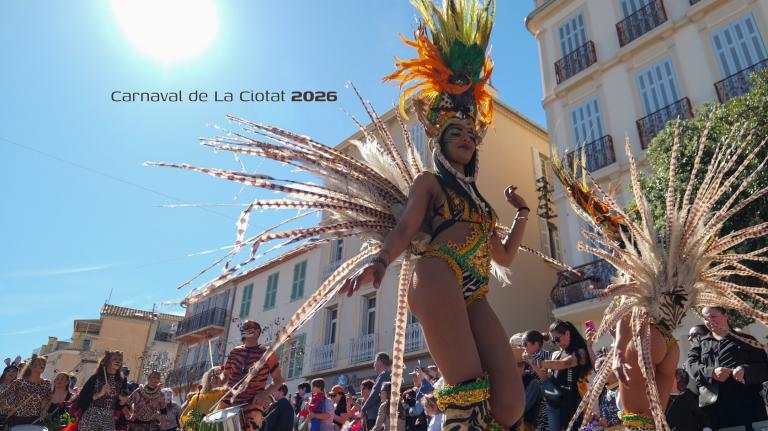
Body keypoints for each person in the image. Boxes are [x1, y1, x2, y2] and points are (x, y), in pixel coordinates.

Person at [337, 2, 528, 429]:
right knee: (467, 393)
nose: (465, 139)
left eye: (470, 134)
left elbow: (503, 258)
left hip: (474, 288)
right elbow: (407, 226)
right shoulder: (430, 182)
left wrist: (522, 215)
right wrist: (381, 259)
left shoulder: (479, 201)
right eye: (454, 132)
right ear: (440, 142)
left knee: (511, 404)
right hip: (438, 275)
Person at [687, 306, 768, 430]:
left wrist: (745, 370)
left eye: (713, 317)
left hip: (749, 406)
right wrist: (712, 372)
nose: (710, 321)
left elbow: (764, 368)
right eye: (706, 319)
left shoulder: (747, 340)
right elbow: (691, 366)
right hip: (717, 411)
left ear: (725, 315)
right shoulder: (700, 344)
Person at [219, 320, 284, 431]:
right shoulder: (234, 352)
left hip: (252, 402)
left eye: (248, 327)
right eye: (242, 327)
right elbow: (225, 378)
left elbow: (279, 380)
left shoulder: (267, 352)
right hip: (229, 401)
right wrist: (217, 380)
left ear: (258, 332)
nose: (243, 329)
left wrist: (264, 393)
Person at [531, 320, 591, 431]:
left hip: (577, 405)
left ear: (567, 333)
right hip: (559, 405)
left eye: (557, 339)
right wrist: (533, 364)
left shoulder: (580, 352)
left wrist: (539, 362)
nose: (556, 343)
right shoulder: (556, 354)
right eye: (553, 341)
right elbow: (547, 379)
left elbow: (563, 364)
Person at [76, 350, 130, 431]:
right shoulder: (96, 378)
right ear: (108, 361)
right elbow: (81, 399)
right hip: (91, 416)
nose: (118, 361)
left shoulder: (122, 380)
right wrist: (100, 393)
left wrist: (123, 401)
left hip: (109, 419)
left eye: (120, 359)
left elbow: (119, 405)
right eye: (115, 359)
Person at [0, 356, 52, 426]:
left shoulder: (47, 383)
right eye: (39, 363)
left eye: (44, 364)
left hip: (35, 419)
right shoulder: (18, 382)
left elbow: (49, 399)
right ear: (31, 366)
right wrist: (7, 409)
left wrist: (45, 410)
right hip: (17, 419)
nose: (42, 365)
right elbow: (2, 396)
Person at [360, 353, 391, 431]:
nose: (373, 364)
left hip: (375, 417)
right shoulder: (387, 374)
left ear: (380, 362)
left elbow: (374, 394)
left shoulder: (384, 375)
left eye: (375, 361)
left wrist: (363, 409)